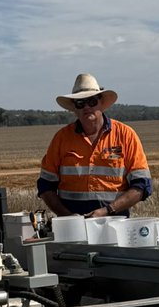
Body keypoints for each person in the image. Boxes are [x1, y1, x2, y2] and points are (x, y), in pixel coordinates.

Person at [37, 73, 152, 218]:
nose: (86, 107)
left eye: (91, 101)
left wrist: (107, 210)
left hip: (115, 224)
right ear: (74, 108)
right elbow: (45, 185)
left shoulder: (126, 135)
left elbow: (142, 185)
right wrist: (67, 216)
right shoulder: (61, 138)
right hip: (72, 227)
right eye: (80, 103)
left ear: (101, 103)